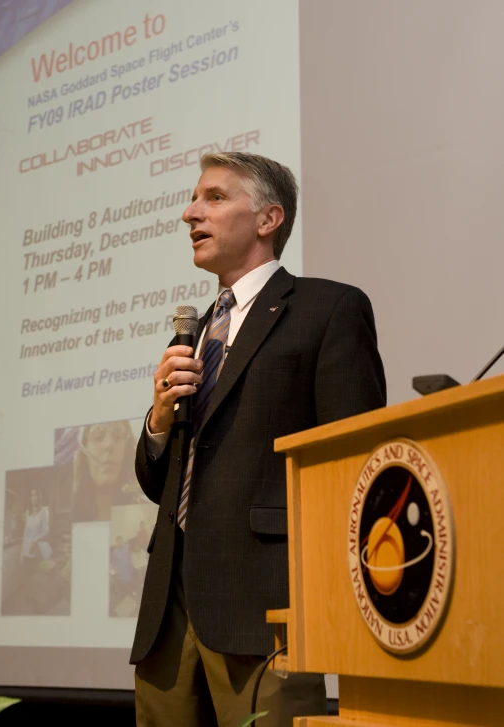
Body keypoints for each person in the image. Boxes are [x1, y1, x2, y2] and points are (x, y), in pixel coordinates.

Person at [131, 152, 387, 726]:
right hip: (168, 614)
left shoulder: (327, 309)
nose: (189, 213)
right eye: (195, 199)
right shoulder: (194, 333)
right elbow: (158, 484)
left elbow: (354, 462)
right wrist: (159, 419)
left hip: (265, 604)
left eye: (214, 198)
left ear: (269, 219)